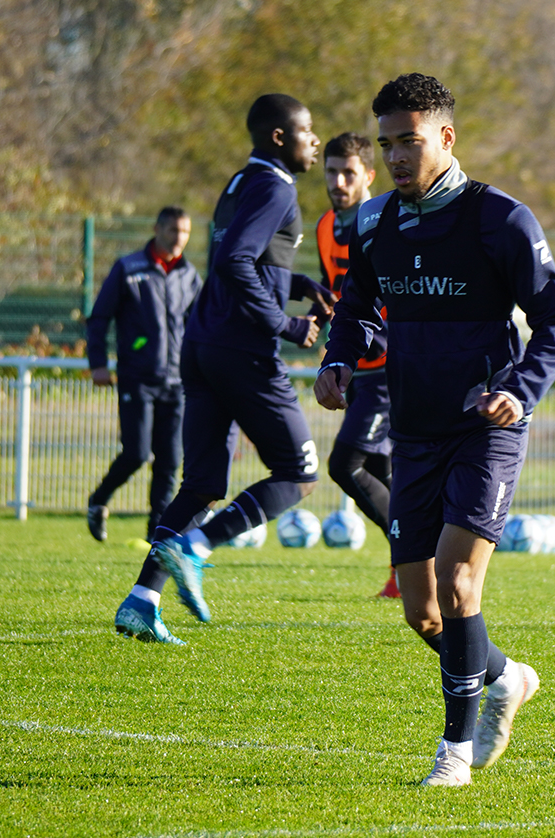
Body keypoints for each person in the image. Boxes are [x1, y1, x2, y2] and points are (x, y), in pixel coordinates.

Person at [314, 74, 555, 786]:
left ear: (446, 138)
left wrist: (518, 392)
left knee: (461, 586)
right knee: (424, 614)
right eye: (388, 144)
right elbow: (357, 304)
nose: (398, 157)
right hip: (416, 431)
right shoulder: (373, 225)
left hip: (486, 427)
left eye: (411, 141)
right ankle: (507, 677)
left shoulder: (500, 220)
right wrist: (339, 358)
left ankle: (454, 752)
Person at [113, 93, 334, 644]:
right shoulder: (276, 187)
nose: (315, 139)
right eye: (307, 130)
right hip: (242, 350)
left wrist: (299, 284)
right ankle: (196, 547)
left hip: (203, 343)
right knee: (299, 474)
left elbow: (245, 258)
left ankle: (142, 601)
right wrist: (285, 323)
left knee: (204, 483)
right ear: (278, 137)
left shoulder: (240, 182)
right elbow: (237, 260)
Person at [85, 207, 200, 543]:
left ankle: (157, 536)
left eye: (185, 232)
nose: (179, 238)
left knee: (169, 461)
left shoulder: (189, 275)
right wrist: (98, 364)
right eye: (173, 231)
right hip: (137, 378)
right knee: (136, 453)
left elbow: (199, 326)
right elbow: (99, 319)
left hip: (177, 382)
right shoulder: (128, 268)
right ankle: (99, 500)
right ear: (157, 229)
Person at [316, 132, 398, 598]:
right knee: (382, 472)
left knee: (346, 464)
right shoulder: (327, 226)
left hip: (389, 365)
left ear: (368, 174)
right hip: (356, 366)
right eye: (331, 171)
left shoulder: (386, 219)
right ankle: (404, 574)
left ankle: (417, 555)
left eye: (348, 173)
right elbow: (342, 295)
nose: (339, 181)